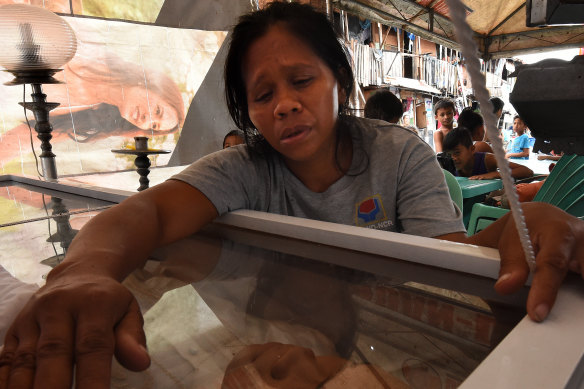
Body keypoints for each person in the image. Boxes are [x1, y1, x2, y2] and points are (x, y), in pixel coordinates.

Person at [1, 3, 582, 388]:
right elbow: (147, 212)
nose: (283, 104)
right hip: (281, 333)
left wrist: (513, 229)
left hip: (385, 338)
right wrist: (84, 272)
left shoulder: (397, 153)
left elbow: (450, 260)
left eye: (301, 81)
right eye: (262, 94)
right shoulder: (247, 167)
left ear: (339, 79)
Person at [443, 127, 533, 180]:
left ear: (472, 149)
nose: (453, 158)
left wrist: (495, 174)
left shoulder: (487, 160)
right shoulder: (448, 165)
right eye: (450, 154)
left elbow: (527, 171)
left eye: (457, 153)